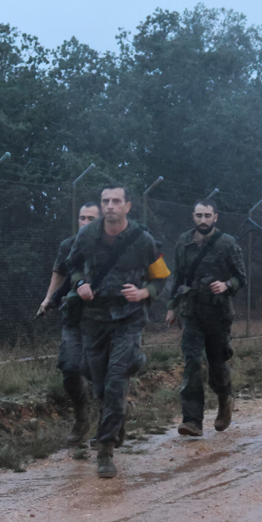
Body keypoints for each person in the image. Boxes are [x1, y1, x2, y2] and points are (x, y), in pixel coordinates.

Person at [66, 184, 169, 478]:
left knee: (115, 381)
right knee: (99, 384)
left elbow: (160, 278)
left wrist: (144, 292)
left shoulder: (142, 239)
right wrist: (79, 285)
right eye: (105, 201)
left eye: (116, 201)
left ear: (127, 206)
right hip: (94, 319)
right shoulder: (87, 235)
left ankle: (105, 449)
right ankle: (117, 415)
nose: (110, 206)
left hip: (128, 318)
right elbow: (72, 267)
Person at [165, 198, 247, 436]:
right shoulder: (183, 241)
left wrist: (226, 285)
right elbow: (178, 277)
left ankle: (224, 399)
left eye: (207, 216)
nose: (203, 220)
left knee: (217, 363)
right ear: (193, 216)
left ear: (215, 217)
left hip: (217, 313)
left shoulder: (227, 243)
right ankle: (192, 420)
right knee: (191, 363)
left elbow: (241, 277)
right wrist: (172, 307)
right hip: (191, 311)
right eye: (199, 215)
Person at [37, 202, 101, 446]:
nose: (85, 223)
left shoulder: (110, 244)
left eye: (91, 218)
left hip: (102, 319)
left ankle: (107, 426)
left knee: (99, 373)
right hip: (74, 316)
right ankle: (82, 418)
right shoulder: (68, 245)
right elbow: (59, 273)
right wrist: (47, 299)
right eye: (82, 218)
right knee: (69, 367)